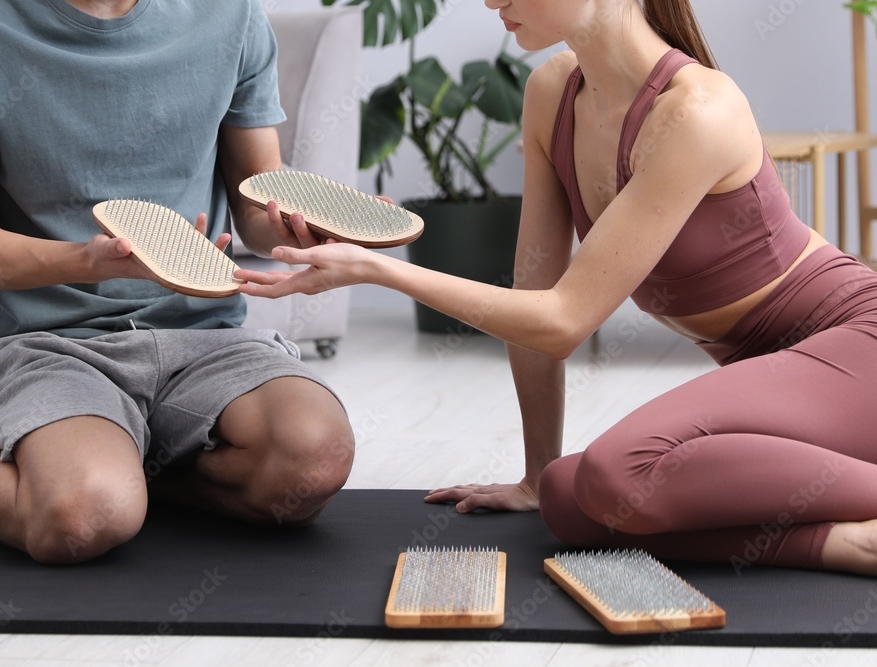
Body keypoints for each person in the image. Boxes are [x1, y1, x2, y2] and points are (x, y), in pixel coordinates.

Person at [236, 0, 877, 576]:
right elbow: (533, 293)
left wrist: (383, 270)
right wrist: (536, 474)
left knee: (618, 473)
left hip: (858, 346)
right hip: (790, 382)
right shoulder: (554, 92)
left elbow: (565, 320)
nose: (491, 1)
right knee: (572, 500)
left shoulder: (697, 110)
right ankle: (844, 543)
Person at [0, 0, 355, 564]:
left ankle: (126, 473)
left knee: (312, 464)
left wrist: (304, 230)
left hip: (206, 335)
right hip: (50, 343)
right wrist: (85, 262)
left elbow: (255, 201)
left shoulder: (231, 16)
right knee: (80, 520)